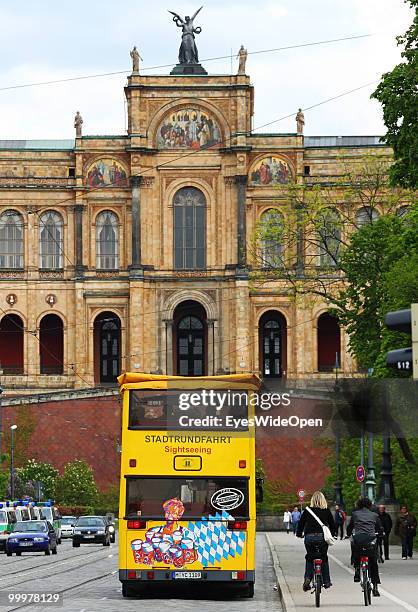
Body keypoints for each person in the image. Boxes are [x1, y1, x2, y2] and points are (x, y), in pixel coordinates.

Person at [296, 491, 336, 591]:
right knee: (324, 558)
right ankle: (326, 581)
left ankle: (307, 578)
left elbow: (301, 524)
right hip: (322, 538)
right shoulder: (326, 510)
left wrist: (299, 534)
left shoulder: (307, 510)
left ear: (312, 500)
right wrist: (333, 534)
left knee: (310, 557)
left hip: (309, 538)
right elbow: (332, 524)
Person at [346, 497, 383, 597]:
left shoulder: (355, 514)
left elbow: (350, 527)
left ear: (358, 505)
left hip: (359, 539)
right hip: (370, 540)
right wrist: (380, 533)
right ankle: (375, 587)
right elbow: (379, 528)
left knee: (355, 549)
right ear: (370, 505)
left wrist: (348, 534)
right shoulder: (374, 515)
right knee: (373, 562)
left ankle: (357, 570)